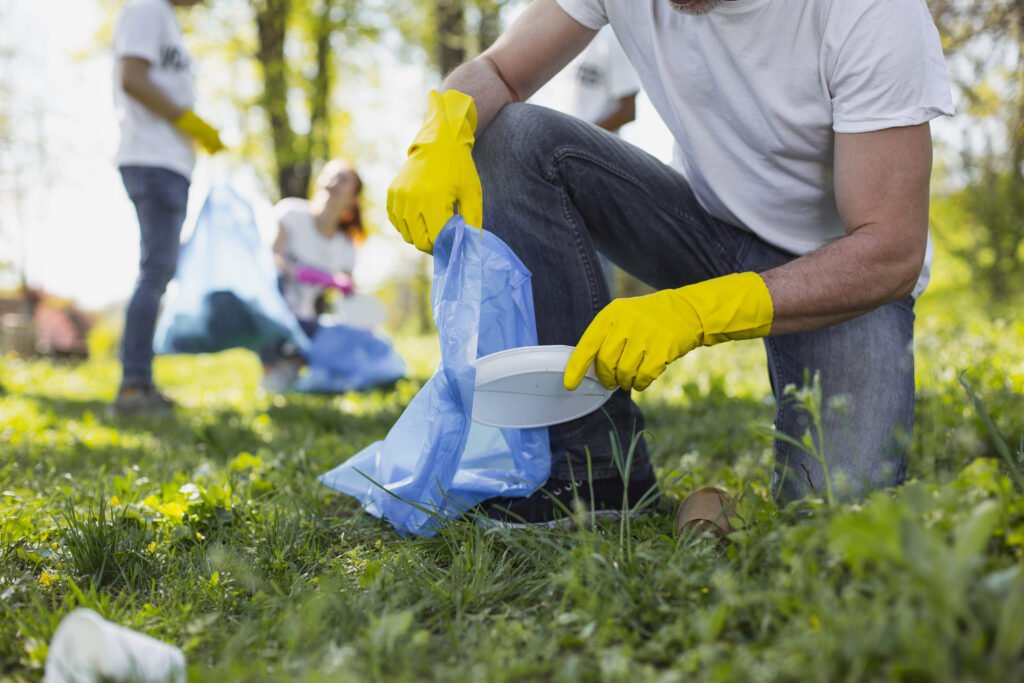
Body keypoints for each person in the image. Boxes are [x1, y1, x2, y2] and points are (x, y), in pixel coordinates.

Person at [386, 0, 953, 526]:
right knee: (510, 136)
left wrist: (695, 313)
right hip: (708, 230)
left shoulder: (872, 12)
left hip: (843, 275)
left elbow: (891, 249)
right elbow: (499, 72)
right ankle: (596, 474)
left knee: (830, 519)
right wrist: (439, 135)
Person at [112, 0, 224, 415]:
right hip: (152, 160)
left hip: (168, 163)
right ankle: (133, 387)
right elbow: (132, 77)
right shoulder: (148, 8)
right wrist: (186, 120)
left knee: (159, 269)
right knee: (156, 270)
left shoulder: (167, 20)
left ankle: (138, 381)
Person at [261, 160, 366, 391]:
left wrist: (347, 288)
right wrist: (303, 273)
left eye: (343, 179)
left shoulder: (346, 247)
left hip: (304, 322)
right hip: (269, 309)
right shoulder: (291, 214)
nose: (333, 182)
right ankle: (274, 365)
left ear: (353, 199)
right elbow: (270, 258)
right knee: (274, 285)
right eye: (330, 175)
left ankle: (293, 365)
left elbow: (351, 300)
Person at [560, 25, 640, 296]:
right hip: (550, 167)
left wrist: (574, 137)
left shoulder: (611, 38)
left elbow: (628, 109)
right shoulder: (552, 37)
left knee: (595, 256)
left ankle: (602, 331)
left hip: (592, 165)